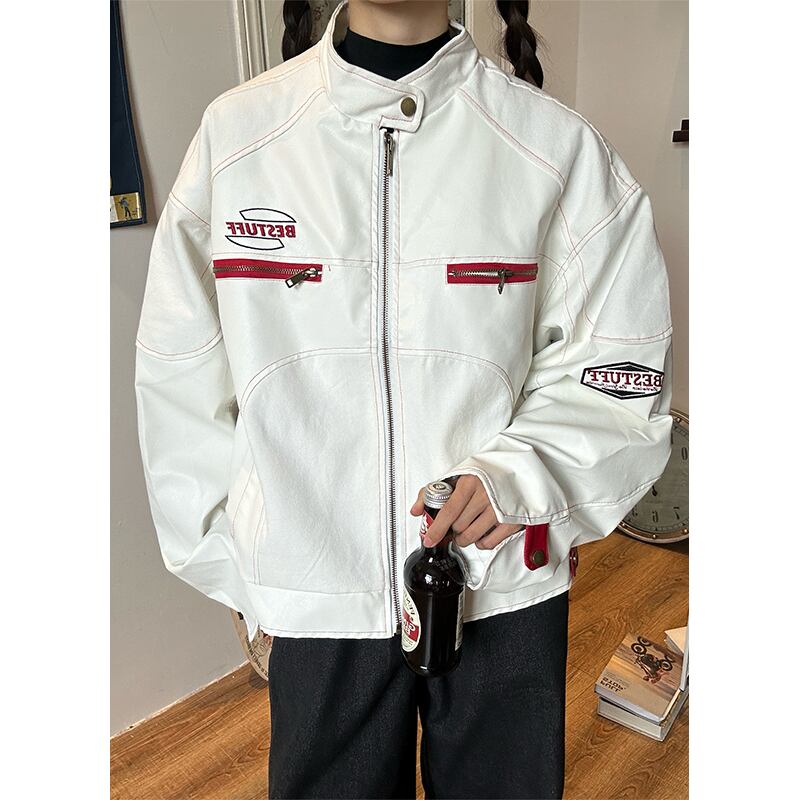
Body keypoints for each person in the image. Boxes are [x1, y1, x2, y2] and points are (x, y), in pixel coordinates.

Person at [134, 1, 674, 798]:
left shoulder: (554, 148)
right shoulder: (238, 138)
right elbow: (179, 375)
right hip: (314, 591)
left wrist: (517, 477)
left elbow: (617, 370)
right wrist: (245, 567)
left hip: (502, 580)